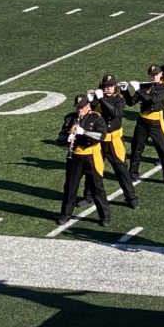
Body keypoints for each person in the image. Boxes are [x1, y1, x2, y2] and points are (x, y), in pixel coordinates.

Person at [84, 73, 138, 209]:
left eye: (111, 86)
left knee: (121, 169)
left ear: (115, 87)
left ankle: (131, 197)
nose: (108, 88)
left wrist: (101, 99)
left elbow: (115, 113)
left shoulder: (119, 99)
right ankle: (88, 196)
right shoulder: (96, 99)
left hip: (114, 139)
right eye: (105, 86)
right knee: (93, 169)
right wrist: (88, 100)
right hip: (98, 139)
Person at [57, 93, 111, 226]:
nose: (79, 110)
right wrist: (66, 138)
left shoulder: (96, 118)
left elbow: (101, 136)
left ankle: (105, 216)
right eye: (77, 107)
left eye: (81, 107)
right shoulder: (70, 118)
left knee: (97, 188)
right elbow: (60, 137)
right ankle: (65, 214)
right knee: (70, 187)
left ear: (88, 105)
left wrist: (84, 132)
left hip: (91, 156)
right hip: (75, 156)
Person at [125, 65, 164, 186]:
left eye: (155, 74)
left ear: (160, 75)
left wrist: (138, 90)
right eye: (151, 75)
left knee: (163, 150)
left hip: (156, 122)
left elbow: (153, 100)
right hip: (142, 121)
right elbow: (131, 103)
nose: (153, 77)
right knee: (136, 148)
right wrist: (125, 90)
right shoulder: (144, 86)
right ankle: (133, 174)